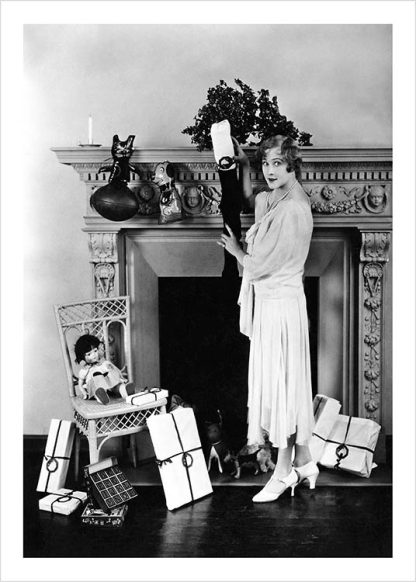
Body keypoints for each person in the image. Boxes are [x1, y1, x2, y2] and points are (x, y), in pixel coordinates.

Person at [215, 131, 319, 502]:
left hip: (282, 309)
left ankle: (283, 470)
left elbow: (261, 266)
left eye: (277, 163)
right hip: (270, 306)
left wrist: (236, 250)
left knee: (282, 387)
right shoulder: (274, 198)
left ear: (292, 165)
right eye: (265, 163)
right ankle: (305, 461)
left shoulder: (294, 209)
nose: (270, 170)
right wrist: (244, 165)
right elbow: (249, 200)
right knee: (278, 384)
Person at [74, 334, 134, 405]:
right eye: (89, 354)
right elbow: (80, 382)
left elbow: (114, 369)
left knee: (112, 379)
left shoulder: (103, 363)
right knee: (97, 381)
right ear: (82, 358)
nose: (94, 355)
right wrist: (84, 393)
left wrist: (120, 377)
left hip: (108, 382)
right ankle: (100, 396)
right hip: (95, 385)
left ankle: (123, 389)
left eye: (95, 351)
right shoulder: (85, 370)